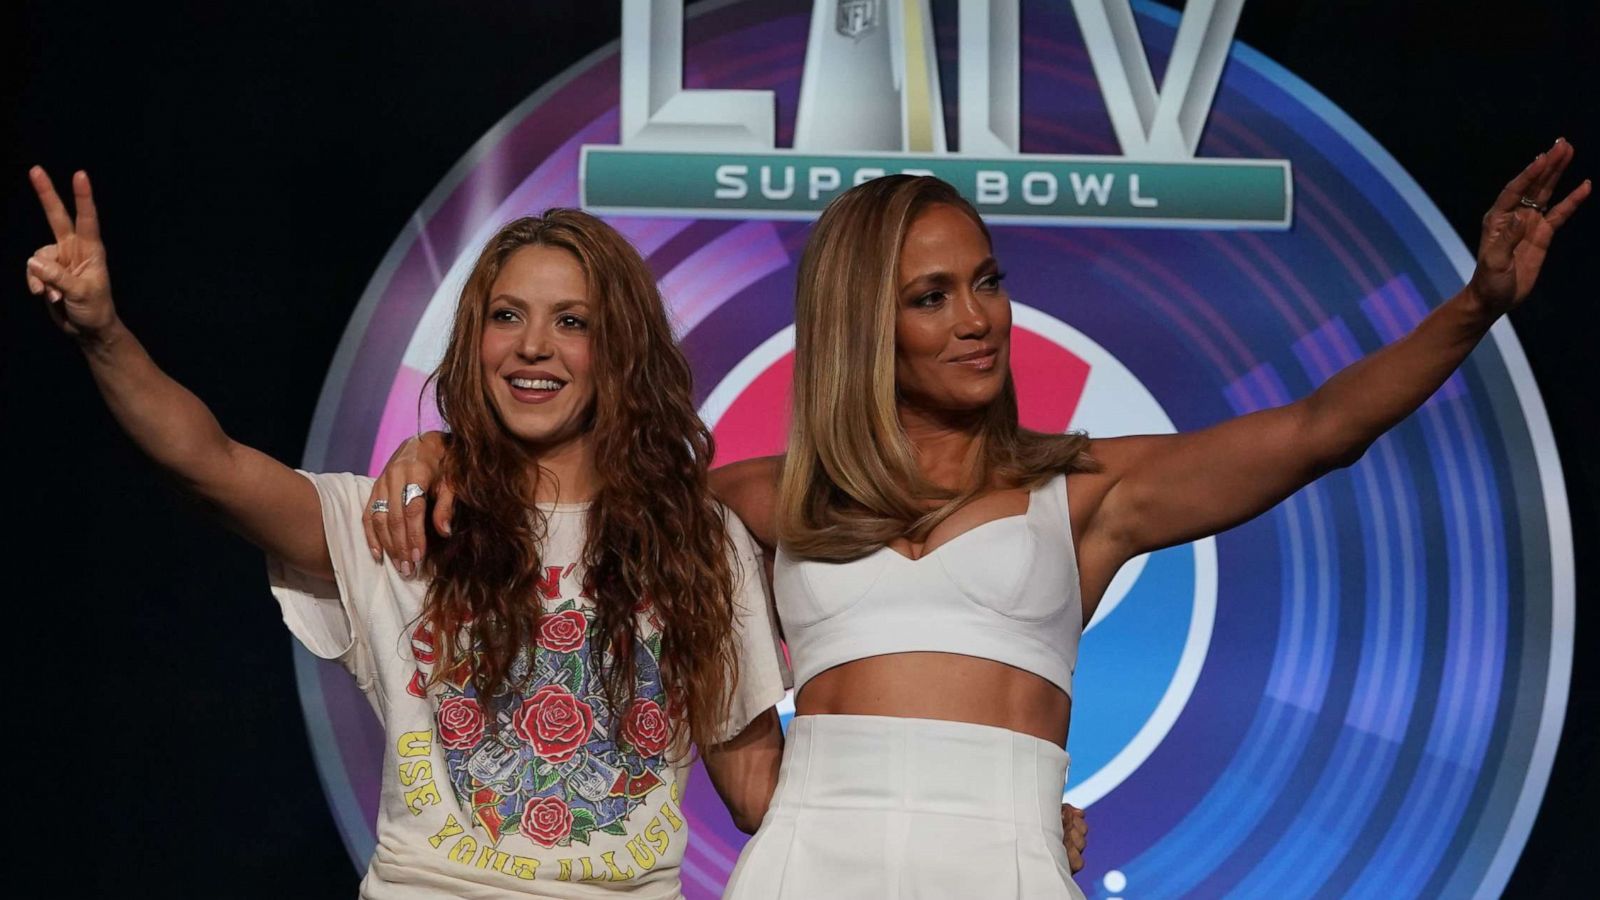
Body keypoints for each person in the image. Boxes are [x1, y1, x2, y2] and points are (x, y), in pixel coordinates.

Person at [374, 139, 1586, 897]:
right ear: (866, 322)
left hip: (1000, 857)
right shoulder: (768, 499)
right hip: (807, 857)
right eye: (932, 295)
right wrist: (439, 447)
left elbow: (1318, 429)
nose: (978, 318)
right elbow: (577, 485)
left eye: (989, 281)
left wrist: (1473, 307)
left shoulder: (1086, 492)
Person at [22, 169, 793, 899]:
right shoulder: (405, 521)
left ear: (621, 351)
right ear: (474, 340)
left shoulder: (697, 543)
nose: (532, 346)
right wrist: (104, 336)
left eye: (572, 322)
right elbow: (210, 465)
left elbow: (758, 792)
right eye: (506, 315)